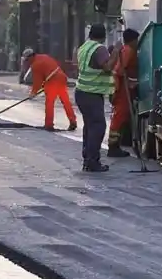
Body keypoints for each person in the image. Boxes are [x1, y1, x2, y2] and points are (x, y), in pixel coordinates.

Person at [75, 24, 121, 172]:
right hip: (91, 93)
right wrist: (116, 52)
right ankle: (92, 161)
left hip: (82, 91)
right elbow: (107, 67)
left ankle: (88, 159)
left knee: (89, 127)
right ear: (104, 36)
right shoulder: (99, 49)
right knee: (98, 127)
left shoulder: (84, 47)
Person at [22, 48, 77, 132]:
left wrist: (33, 93)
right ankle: (73, 121)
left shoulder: (35, 65)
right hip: (61, 77)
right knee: (66, 101)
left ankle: (49, 124)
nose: (27, 62)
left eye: (27, 60)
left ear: (30, 57)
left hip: (53, 81)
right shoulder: (45, 56)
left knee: (49, 103)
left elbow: (37, 82)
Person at [108, 28, 139, 158]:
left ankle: (116, 144)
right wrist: (128, 83)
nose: (137, 42)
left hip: (123, 88)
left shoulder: (127, 50)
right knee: (119, 116)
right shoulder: (128, 51)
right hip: (122, 89)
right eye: (136, 40)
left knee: (122, 116)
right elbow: (119, 71)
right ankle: (113, 146)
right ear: (132, 40)